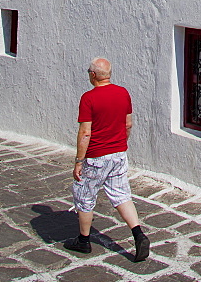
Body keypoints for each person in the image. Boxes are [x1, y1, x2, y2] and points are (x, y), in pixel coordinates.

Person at [64, 57, 150, 262]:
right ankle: (138, 234)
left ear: (93, 75)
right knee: (121, 194)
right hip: (119, 154)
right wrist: (120, 143)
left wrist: (78, 161)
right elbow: (128, 124)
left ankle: (83, 241)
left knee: (84, 196)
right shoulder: (123, 93)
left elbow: (85, 132)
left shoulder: (89, 98)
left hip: (96, 157)